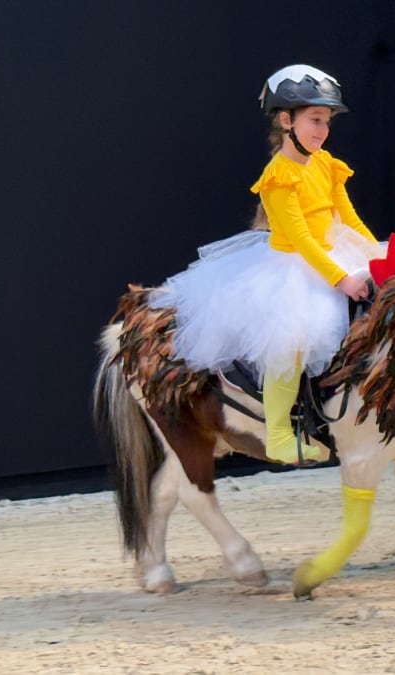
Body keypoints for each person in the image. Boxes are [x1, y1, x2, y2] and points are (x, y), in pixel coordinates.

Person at [151, 65, 382, 465]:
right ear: (286, 120)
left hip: (334, 253)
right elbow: (300, 239)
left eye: (326, 121)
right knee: (291, 340)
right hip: (295, 267)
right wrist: (341, 279)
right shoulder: (279, 175)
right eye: (315, 120)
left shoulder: (326, 163)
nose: (323, 130)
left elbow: (350, 220)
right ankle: (278, 433)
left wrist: (377, 255)